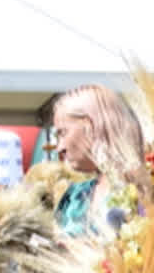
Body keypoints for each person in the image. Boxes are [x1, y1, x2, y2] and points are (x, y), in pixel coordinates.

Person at [50, 85, 149, 237]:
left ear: (91, 125)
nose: (59, 147)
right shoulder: (72, 198)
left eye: (63, 133)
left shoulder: (147, 190)